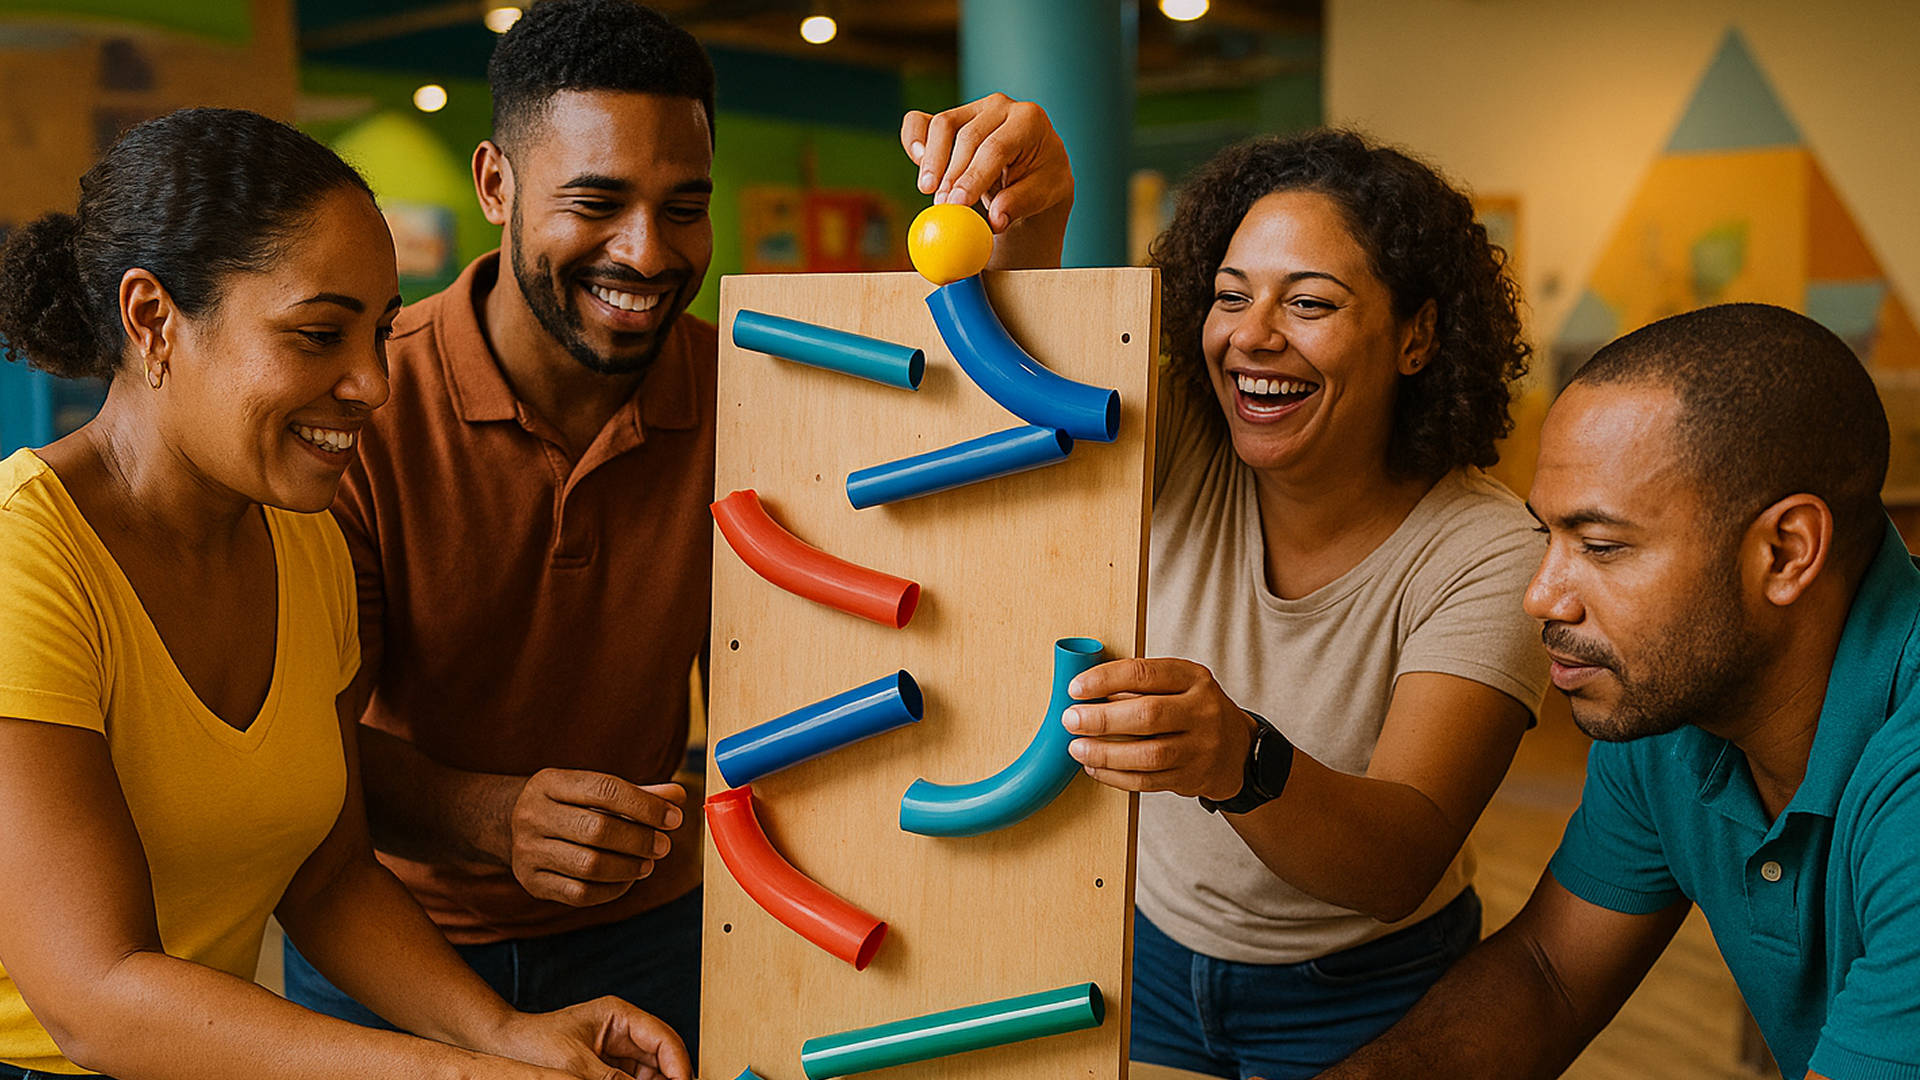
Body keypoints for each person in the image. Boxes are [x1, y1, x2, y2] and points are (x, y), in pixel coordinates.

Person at [281, 0, 1076, 1050]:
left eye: (685, 207)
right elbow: (302, 747)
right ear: (494, 185)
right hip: (394, 941)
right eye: (598, 202)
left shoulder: (756, 390)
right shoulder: (368, 411)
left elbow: (981, 498)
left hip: (666, 928)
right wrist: (489, 815)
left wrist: (1034, 236)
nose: (648, 254)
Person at [0, 107, 688, 1080]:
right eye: (320, 334)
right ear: (152, 318)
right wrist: (455, 1074)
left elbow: (326, 879)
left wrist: (505, 1035)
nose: (371, 382)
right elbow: (96, 998)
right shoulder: (25, 560)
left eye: (381, 333)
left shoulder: (301, 541)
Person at [1314, 302, 1920, 1080]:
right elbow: (1548, 975)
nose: (1542, 596)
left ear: (1785, 552)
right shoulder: (1673, 704)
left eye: (1601, 546)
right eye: (1548, 537)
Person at [1057, 129, 1549, 1079]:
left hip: (1367, 990)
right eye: (1231, 296)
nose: (1251, 335)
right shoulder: (1185, 443)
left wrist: (1238, 756)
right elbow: (1023, 392)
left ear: (1417, 336)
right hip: (1150, 955)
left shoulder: (1487, 552)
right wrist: (1029, 218)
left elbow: (1397, 862)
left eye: (1311, 302)